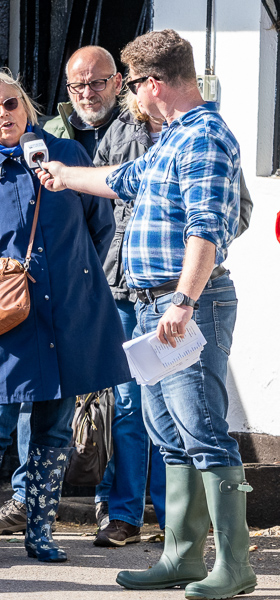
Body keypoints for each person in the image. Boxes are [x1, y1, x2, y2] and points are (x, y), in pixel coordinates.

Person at [37, 29, 257, 599]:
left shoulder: (204, 136)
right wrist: (63, 176)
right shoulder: (172, 138)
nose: (131, 95)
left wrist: (183, 301)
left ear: (152, 83)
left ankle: (235, 566)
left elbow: (207, 228)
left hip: (183, 305)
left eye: (132, 83)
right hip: (149, 305)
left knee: (203, 431)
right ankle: (182, 558)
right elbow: (122, 180)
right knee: (169, 434)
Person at [0, 68, 130, 568]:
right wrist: (7, 286)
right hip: (11, 322)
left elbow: (100, 227)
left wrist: (70, 277)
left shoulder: (68, 155)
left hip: (68, 315)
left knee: (54, 429)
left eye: (10, 103)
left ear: (26, 107)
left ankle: (40, 532)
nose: (3, 114)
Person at [90, 92, 167, 547]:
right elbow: (94, 209)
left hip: (172, 295)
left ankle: (176, 518)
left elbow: (236, 211)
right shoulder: (117, 134)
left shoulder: (197, 135)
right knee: (128, 407)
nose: (144, 91)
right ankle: (124, 516)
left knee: (171, 407)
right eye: (137, 83)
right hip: (119, 291)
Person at [44, 46, 123, 160]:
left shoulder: (138, 128)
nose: (87, 94)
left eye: (97, 83)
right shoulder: (51, 132)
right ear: (68, 89)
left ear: (117, 83)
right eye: (78, 85)